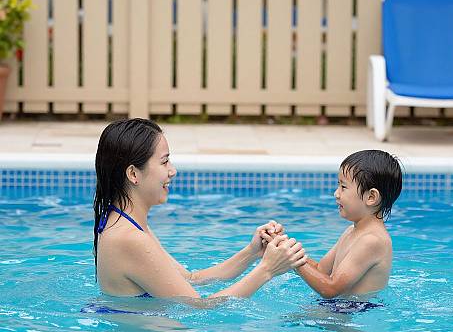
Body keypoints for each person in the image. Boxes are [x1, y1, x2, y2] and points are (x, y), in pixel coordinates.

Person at [93, 118, 306, 300]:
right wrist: (267, 270)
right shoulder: (130, 238)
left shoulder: (126, 223)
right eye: (164, 162)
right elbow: (199, 310)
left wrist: (252, 253)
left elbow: (191, 279)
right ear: (133, 174)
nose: (172, 171)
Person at [293, 150, 402, 300]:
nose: (336, 194)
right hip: (340, 308)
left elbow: (330, 289)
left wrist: (293, 262)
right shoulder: (351, 231)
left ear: (371, 197)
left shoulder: (372, 241)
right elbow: (321, 270)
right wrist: (288, 250)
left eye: (343, 187)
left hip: (355, 312)